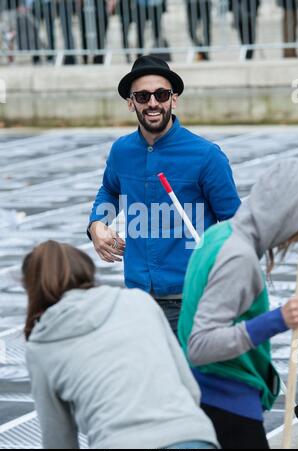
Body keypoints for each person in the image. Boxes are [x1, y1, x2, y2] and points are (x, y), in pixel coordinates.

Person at [88, 54, 241, 337]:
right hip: (137, 299)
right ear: (130, 102)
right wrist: (97, 224)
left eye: (161, 94)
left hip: (191, 302)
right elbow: (109, 190)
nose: (153, 103)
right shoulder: (122, 151)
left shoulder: (206, 156)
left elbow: (236, 225)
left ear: (174, 99)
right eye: (143, 96)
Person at [23, 240, 219, 449]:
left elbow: (59, 438)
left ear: (33, 289)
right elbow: (190, 389)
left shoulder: (42, 345)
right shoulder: (139, 302)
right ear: (86, 270)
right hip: (192, 436)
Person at [178, 158, 298, 449]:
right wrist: (279, 319)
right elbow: (200, 345)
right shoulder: (238, 256)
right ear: (286, 213)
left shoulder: (218, 236)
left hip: (204, 398)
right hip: (227, 406)